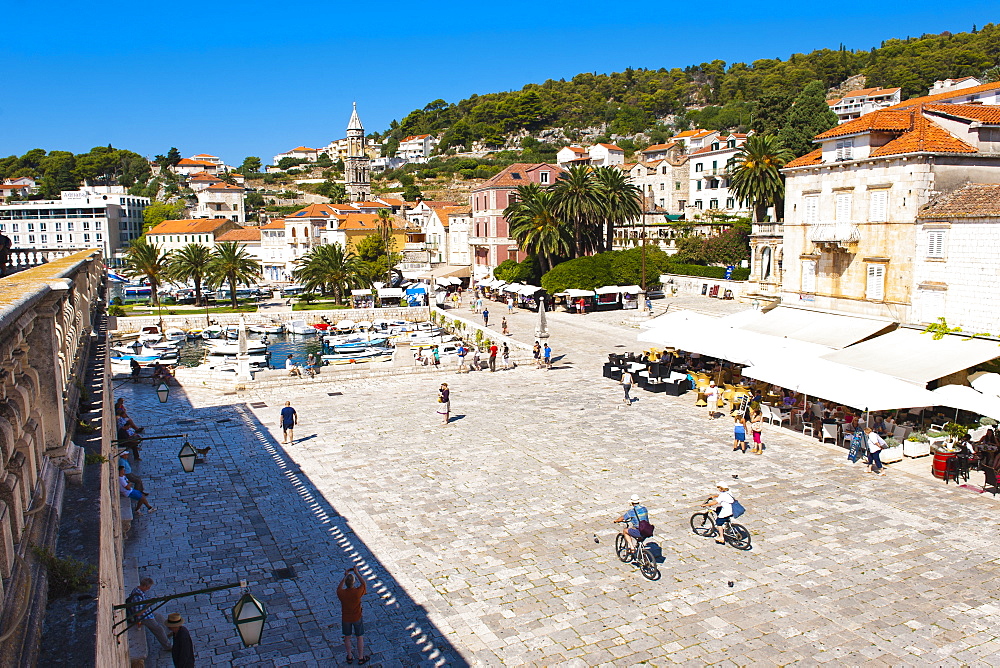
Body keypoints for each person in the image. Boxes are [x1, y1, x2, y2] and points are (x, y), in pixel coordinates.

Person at [128, 577, 172, 652]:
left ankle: (167, 633)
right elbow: (138, 614)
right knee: (158, 629)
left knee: (159, 617)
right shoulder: (137, 597)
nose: (148, 589)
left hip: (147, 612)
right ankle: (168, 646)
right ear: (144, 586)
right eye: (148, 587)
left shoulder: (139, 591)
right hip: (143, 617)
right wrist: (148, 605)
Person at [338, 565, 369, 664]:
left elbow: (339, 588)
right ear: (354, 583)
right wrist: (356, 573)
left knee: (347, 637)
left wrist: (345, 577)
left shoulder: (341, 593)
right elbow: (364, 584)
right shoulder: (357, 592)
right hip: (357, 617)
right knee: (359, 637)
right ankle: (360, 658)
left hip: (346, 618)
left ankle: (350, 656)